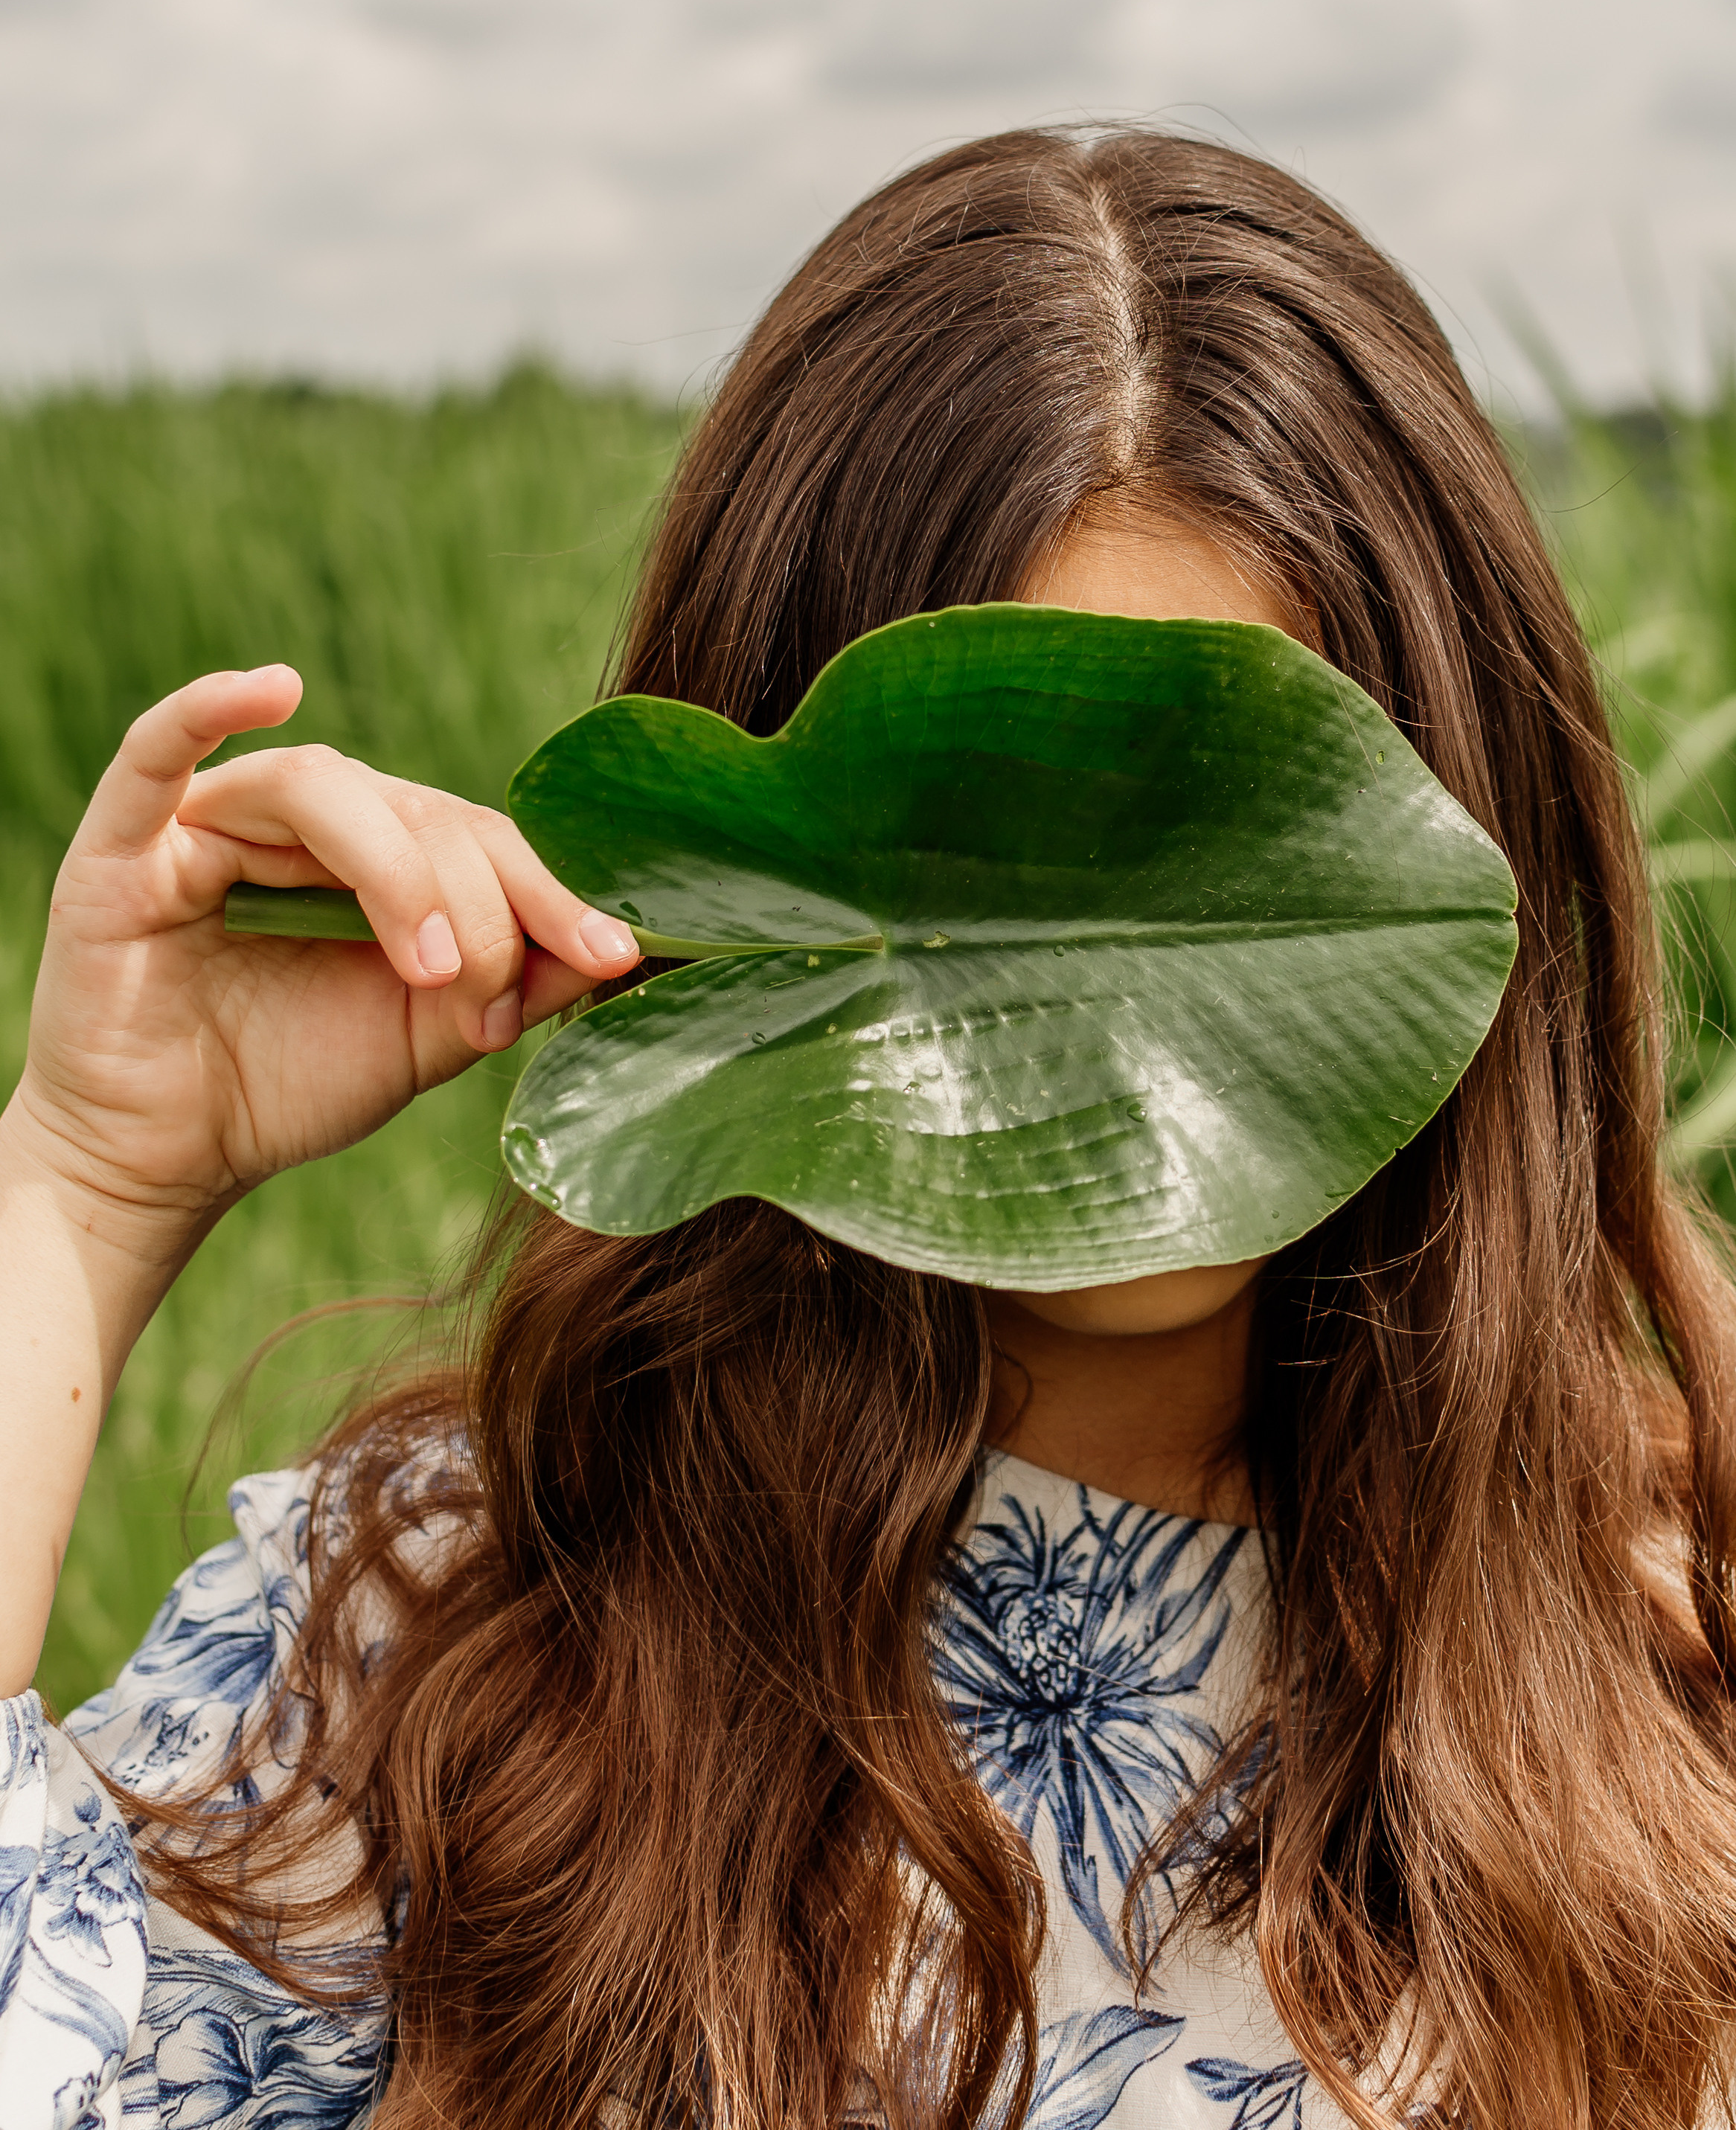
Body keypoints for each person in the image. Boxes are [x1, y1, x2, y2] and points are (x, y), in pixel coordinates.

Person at [1, 128, 1733, 2130]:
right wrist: (82, 1190)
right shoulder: (422, 1653)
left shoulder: (1688, 1671)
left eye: (1204, 851)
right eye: (977, 849)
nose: (1092, 997)